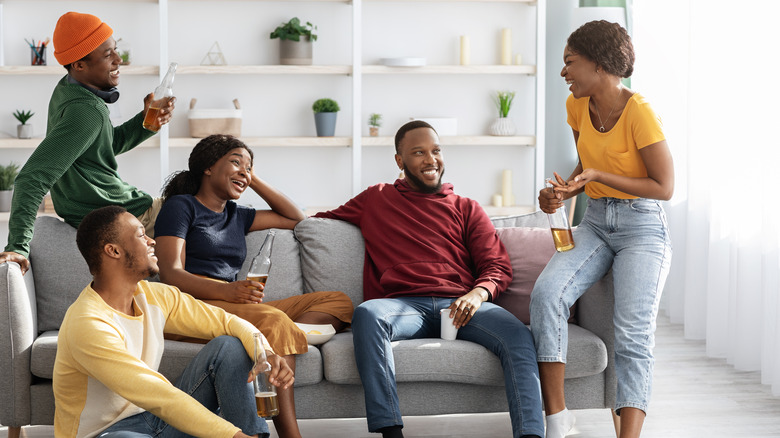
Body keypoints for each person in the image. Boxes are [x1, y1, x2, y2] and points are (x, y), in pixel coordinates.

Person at [314, 120, 544, 438]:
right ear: (400, 161)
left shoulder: (467, 208)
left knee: (518, 336)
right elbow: (314, 222)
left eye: (435, 150)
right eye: (419, 152)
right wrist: (247, 217)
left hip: (462, 306)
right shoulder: (376, 199)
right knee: (367, 314)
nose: (430, 160)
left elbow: (497, 266)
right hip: (404, 307)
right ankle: (391, 432)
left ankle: (530, 434)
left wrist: (477, 294)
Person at [153, 134, 354, 438]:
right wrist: (226, 291)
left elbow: (297, 218)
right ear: (208, 167)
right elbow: (170, 274)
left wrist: (252, 178)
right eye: (235, 162)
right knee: (274, 320)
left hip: (235, 305)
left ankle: (277, 336)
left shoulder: (237, 215)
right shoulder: (182, 207)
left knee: (339, 301)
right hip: (192, 306)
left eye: (249, 167)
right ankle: (290, 434)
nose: (244, 172)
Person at [529, 20, 674, 438]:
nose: (563, 73)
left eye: (570, 63)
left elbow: (664, 187)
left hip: (642, 228)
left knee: (632, 332)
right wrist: (563, 192)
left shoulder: (641, 113)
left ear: (599, 64)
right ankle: (557, 420)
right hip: (594, 220)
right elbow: (585, 164)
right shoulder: (577, 105)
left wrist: (598, 175)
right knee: (547, 294)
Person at [54, 205, 294, 438]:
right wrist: (231, 435)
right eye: (141, 235)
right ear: (113, 251)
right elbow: (158, 395)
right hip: (108, 432)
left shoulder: (154, 295)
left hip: (155, 419)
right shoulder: (88, 322)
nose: (152, 240)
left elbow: (227, 321)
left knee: (229, 347)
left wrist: (265, 354)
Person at [0, 11, 176, 275]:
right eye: (108, 55)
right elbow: (31, 179)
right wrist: (17, 246)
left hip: (130, 211)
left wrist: (147, 121)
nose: (119, 60)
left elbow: (103, 145)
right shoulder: (87, 110)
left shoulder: (67, 90)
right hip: (136, 217)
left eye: (115, 51)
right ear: (79, 65)